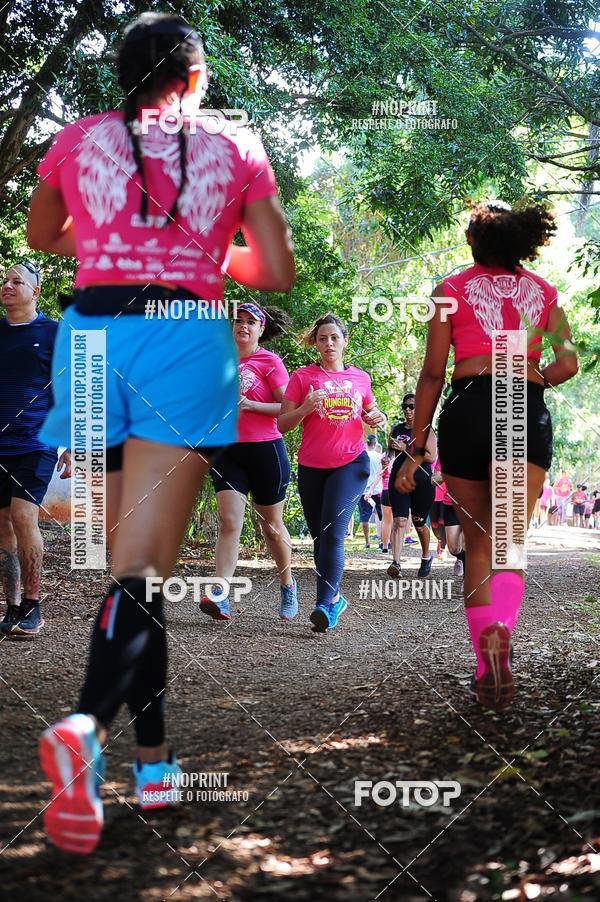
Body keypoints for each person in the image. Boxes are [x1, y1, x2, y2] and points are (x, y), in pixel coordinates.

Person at [27, 12, 294, 853]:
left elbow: (44, 238)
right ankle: (82, 725)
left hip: (92, 337)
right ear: (196, 77)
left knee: (128, 577)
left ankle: (154, 763)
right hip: (183, 335)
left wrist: (104, 235)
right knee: (141, 569)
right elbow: (275, 269)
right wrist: (216, 252)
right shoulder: (234, 147)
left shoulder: (73, 141)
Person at [395, 200, 578, 710]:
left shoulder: (449, 290)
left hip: (469, 406)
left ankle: (485, 659)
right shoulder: (543, 291)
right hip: (521, 403)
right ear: (522, 242)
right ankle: (504, 639)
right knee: (509, 545)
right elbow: (569, 363)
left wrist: (417, 447)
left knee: (477, 543)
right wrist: (532, 374)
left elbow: (432, 374)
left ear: (474, 242)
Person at [279, 313, 386, 632]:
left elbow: (370, 413)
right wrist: (303, 409)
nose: (329, 343)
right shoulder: (302, 377)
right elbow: (282, 424)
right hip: (312, 466)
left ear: (344, 341)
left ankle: (324, 605)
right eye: (322, 338)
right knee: (319, 538)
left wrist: (376, 417)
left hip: (351, 464)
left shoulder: (361, 379)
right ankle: (335, 598)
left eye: (334, 338)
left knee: (334, 535)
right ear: (316, 342)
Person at [204, 302, 297, 621]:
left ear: (261, 329)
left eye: (251, 322)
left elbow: (287, 407)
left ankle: (287, 585)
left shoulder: (269, 361)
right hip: (227, 451)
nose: (243, 325)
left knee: (271, 528)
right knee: (229, 522)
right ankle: (220, 595)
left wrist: (252, 406)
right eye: (238, 320)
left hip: (265, 450)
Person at [0, 261, 71, 638]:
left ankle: (33, 605)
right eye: (5, 280)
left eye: (17, 281)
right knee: (2, 526)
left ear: (35, 291)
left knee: (23, 516)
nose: (8, 285)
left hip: (35, 442)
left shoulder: (54, 333)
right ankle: (12, 608)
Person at [387, 393, 436, 578]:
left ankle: (426, 556)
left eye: (412, 406)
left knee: (419, 523)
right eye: (405, 406)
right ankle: (396, 563)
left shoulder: (426, 430)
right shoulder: (397, 429)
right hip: (399, 480)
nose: (408, 409)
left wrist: (406, 448)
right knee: (399, 521)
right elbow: (390, 453)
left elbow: (431, 457)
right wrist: (387, 459)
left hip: (421, 482)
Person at [431, 457, 465, 578]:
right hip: (450, 503)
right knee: (453, 548)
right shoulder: (446, 454)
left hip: (472, 503)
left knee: (468, 542)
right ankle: (461, 559)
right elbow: (433, 480)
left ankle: (469, 578)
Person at [359, 435, 383, 549]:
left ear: (366, 443)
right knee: (382, 516)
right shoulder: (380, 457)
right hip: (378, 489)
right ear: (375, 443)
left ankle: (367, 542)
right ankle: (383, 541)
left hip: (364, 490)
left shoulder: (362, 456)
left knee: (365, 517)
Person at [379, 451, 394, 552]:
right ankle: (394, 545)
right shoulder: (400, 456)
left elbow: (379, 474)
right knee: (396, 521)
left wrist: (371, 489)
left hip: (385, 491)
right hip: (396, 491)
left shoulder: (385, 456)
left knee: (386, 521)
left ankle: (384, 546)